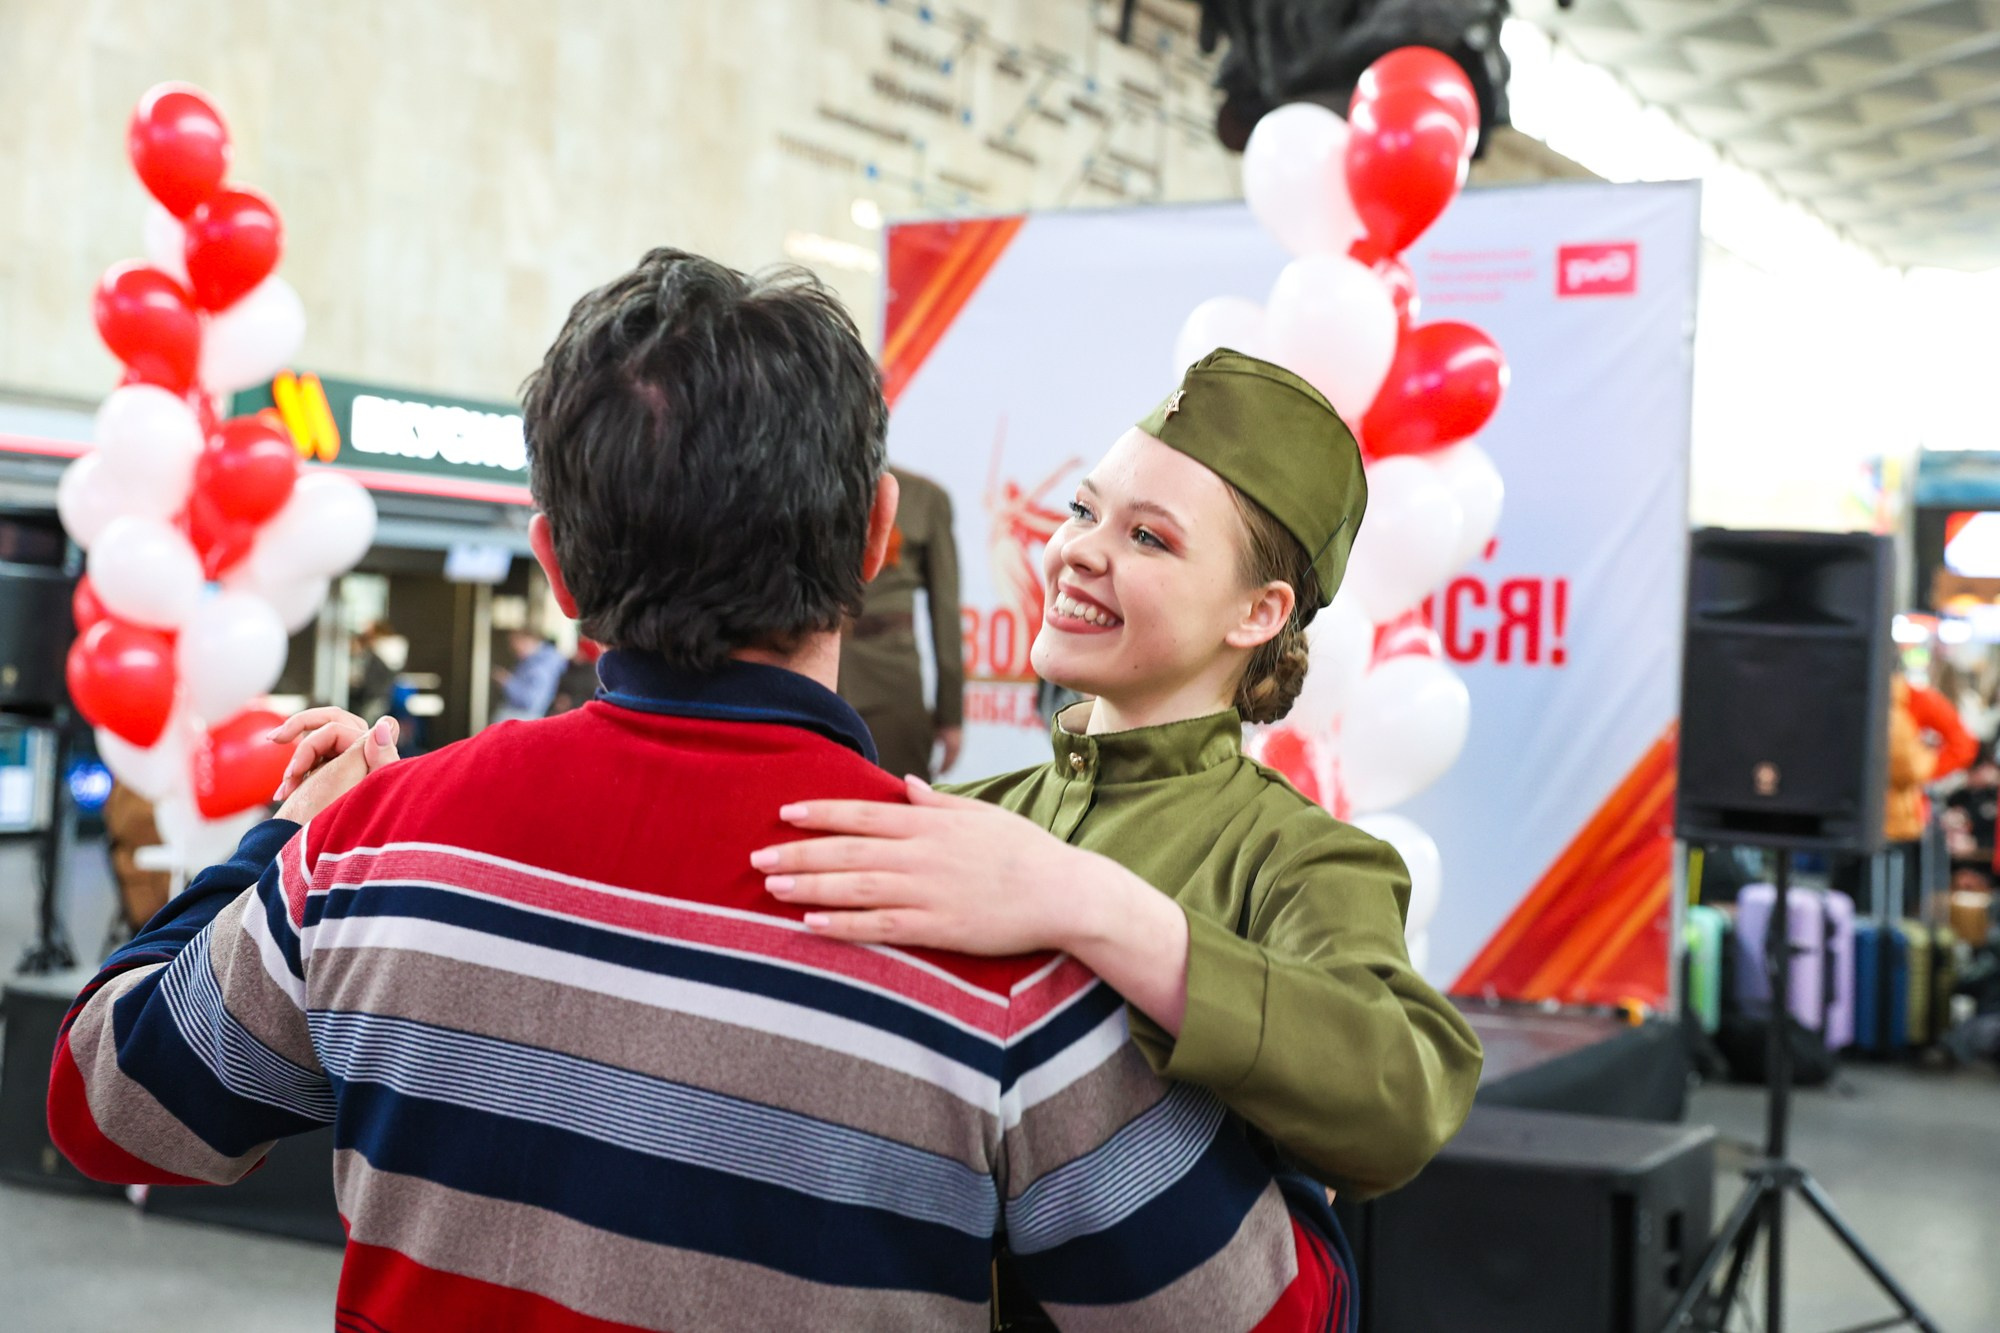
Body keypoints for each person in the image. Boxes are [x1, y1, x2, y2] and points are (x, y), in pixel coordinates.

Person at [50, 252, 1348, 1332]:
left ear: (556, 566)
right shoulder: (1002, 957)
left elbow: (111, 1109)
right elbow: (1261, 1316)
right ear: (874, 539)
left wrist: (279, 836)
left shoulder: (369, 851)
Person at [754, 350, 1483, 1199]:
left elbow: (1404, 1100)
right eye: (1083, 510)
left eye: (1147, 536)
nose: (1074, 552)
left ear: (1258, 612)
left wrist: (1091, 905)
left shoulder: (1298, 861)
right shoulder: (964, 820)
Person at [838, 465, 965, 780]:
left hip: (891, 681)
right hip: (808, 669)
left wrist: (951, 715)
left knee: (897, 804)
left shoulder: (923, 498)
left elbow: (945, 611)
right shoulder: (794, 482)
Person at [491, 627, 566, 721]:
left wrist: (507, 681)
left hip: (523, 719)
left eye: (515, 645)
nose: (513, 650)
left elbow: (531, 702)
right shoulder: (530, 661)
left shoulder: (541, 665)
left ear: (527, 640)